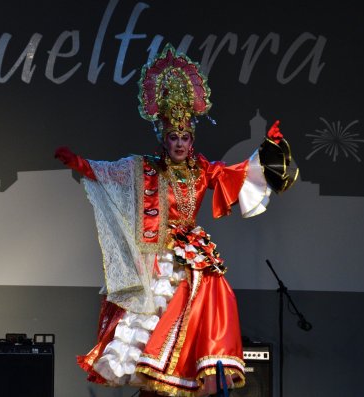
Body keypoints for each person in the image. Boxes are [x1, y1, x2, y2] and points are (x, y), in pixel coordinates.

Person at [54, 44, 297, 397]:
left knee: (214, 293)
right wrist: (81, 164)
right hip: (157, 256)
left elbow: (237, 176)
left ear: (191, 138)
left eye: (185, 137)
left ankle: (190, 371)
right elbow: (113, 174)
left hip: (191, 255)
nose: (180, 143)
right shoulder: (146, 168)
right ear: (163, 138)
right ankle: (155, 383)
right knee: (148, 325)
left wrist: (268, 153)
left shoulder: (202, 169)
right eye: (173, 137)